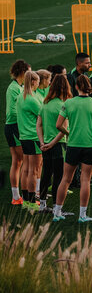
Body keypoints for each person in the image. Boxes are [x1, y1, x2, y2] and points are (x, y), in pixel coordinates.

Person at [53, 75, 92, 223]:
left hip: (73, 145)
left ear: (76, 87)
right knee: (86, 180)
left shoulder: (68, 103)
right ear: (89, 87)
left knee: (66, 179)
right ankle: (82, 215)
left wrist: (69, 133)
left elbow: (58, 125)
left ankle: (57, 212)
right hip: (90, 146)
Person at [37, 75, 72, 214]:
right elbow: (63, 129)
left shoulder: (45, 104)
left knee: (46, 173)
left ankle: (42, 205)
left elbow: (38, 125)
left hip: (45, 144)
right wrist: (52, 143)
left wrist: (42, 142)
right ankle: (57, 208)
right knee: (59, 176)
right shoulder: (62, 105)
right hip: (58, 145)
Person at [16, 71, 41, 212]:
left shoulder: (21, 96)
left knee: (26, 169)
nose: (38, 83)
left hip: (24, 136)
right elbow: (42, 114)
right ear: (32, 82)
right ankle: (32, 201)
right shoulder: (31, 99)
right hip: (33, 137)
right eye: (37, 81)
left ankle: (26, 199)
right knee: (34, 170)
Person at [6, 59, 30, 205]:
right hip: (14, 126)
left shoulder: (19, 86)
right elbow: (12, 111)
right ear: (22, 72)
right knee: (23, 161)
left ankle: (17, 196)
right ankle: (23, 195)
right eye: (28, 72)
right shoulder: (14, 88)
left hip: (14, 126)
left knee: (18, 161)